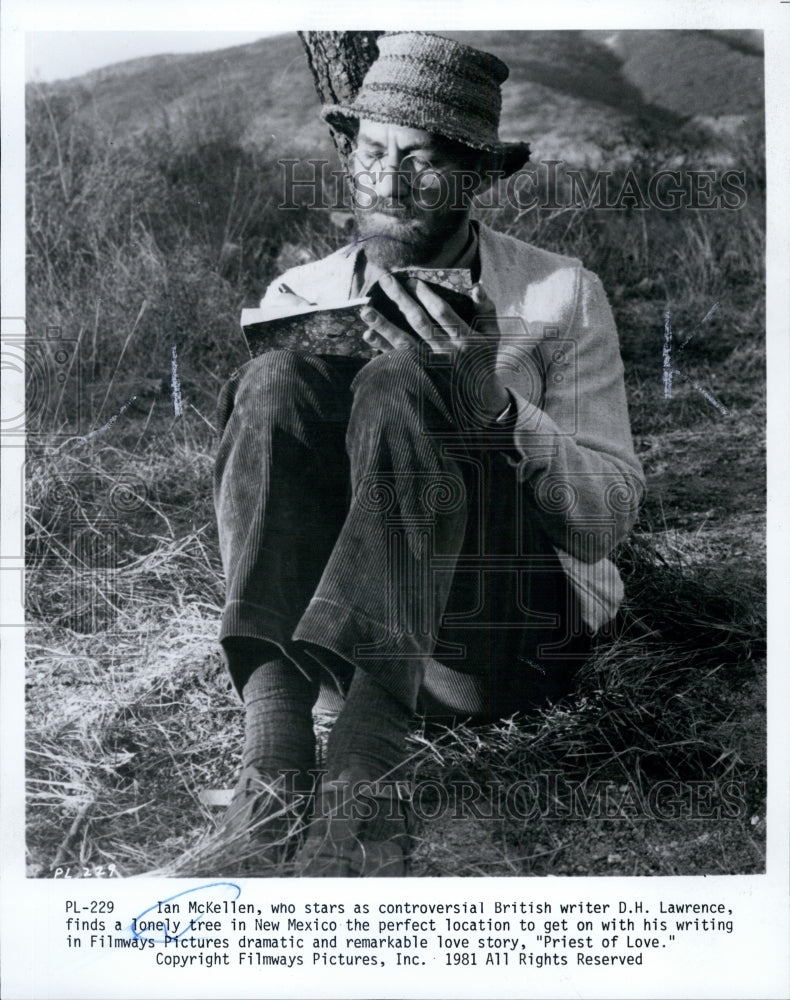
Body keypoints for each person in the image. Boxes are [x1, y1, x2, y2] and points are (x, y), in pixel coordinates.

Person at [212, 31, 645, 877]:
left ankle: (366, 777)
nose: (390, 180)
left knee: (411, 376)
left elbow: (608, 522)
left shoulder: (560, 293)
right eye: (373, 152)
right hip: (332, 641)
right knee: (275, 379)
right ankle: (272, 759)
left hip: (499, 641)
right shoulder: (299, 294)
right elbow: (265, 510)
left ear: (477, 176)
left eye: (423, 160)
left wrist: (492, 402)